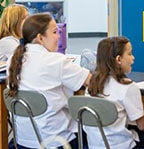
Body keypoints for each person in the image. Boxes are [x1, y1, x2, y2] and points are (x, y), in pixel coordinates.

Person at [6, 13, 91, 149]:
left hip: (22, 141)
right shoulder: (56, 61)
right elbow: (91, 82)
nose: (59, 36)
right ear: (40, 38)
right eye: (55, 32)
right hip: (57, 141)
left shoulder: (13, 60)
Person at [86, 37, 144, 149]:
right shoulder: (128, 86)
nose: (133, 58)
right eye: (129, 54)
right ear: (118, 59)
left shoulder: (91, 85)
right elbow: (142, 126)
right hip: (122, 145)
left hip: (94, 145)